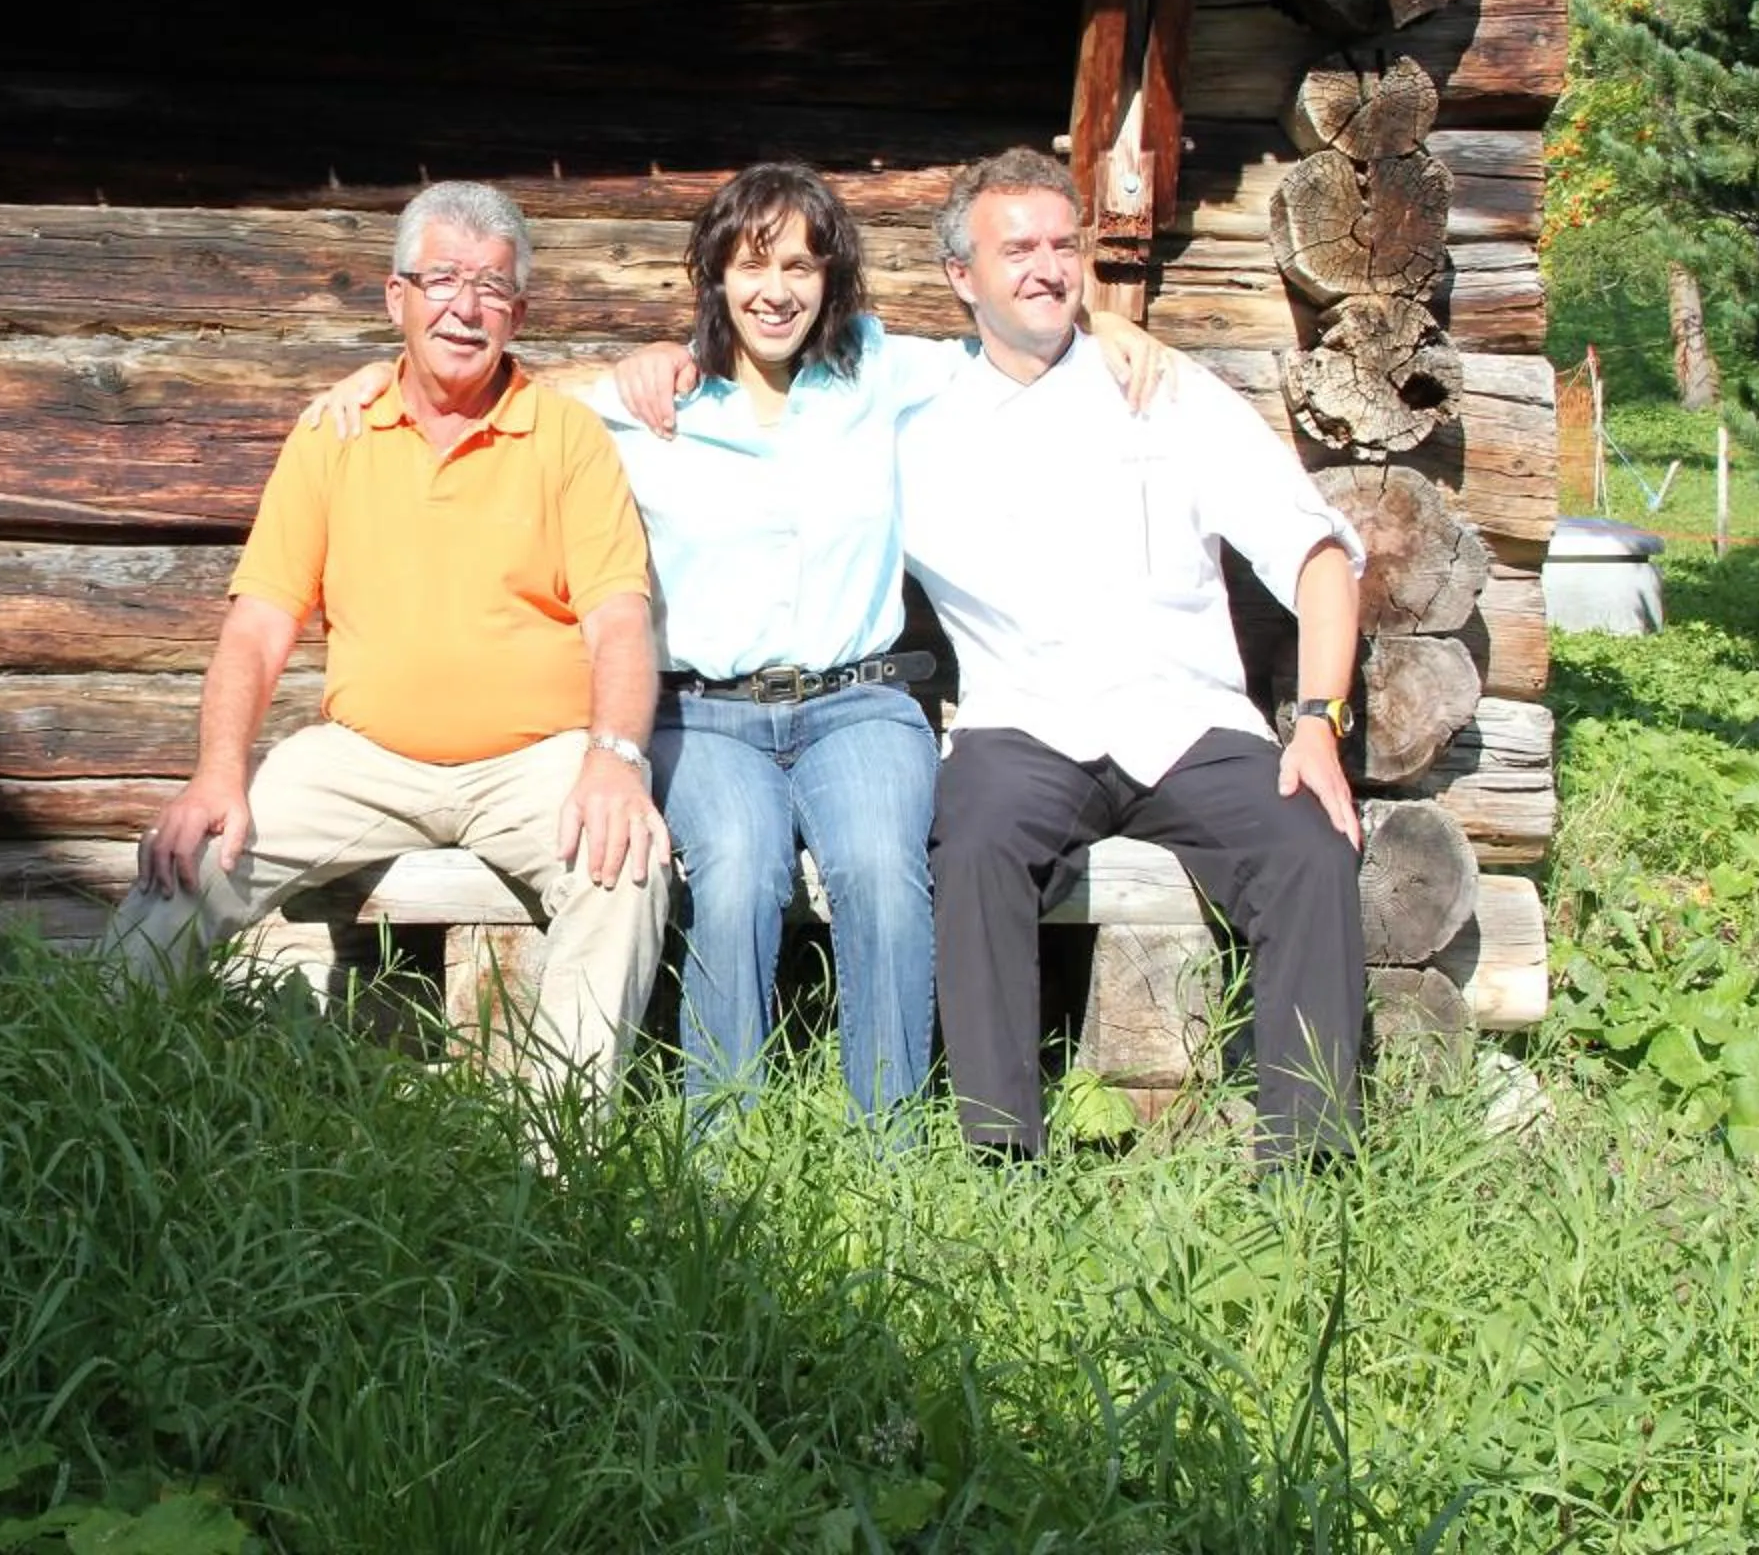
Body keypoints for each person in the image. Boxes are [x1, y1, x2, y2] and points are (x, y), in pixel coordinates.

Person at [311, 164, 1170, 1129]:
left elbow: (1017, 340)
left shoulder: (881, 370)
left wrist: (1109, 324)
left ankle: (887, 1144)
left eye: (802, 266)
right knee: (740, 874)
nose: (777, 289)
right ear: (715, 274)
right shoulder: (654, 401)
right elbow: (493, 383)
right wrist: (380, 373)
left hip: (860, 704)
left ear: (831, 279)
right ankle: (722, 1155)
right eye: (752, 263)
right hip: (705, 714)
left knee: (886, 871)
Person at [111, 181, 668, 1110]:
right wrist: (217, 774)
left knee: (628, 862)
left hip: (535, 764)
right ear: (395, 297)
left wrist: (614, 761)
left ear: (518, 312)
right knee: (198, 855)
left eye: (491, 287)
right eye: (442, 278)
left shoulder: (567, 437)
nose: (465, 306)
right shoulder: (333, 433)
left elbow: (619, 619)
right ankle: (88, 1080)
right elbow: (258, 625)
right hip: (361, 760)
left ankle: (559, 1160)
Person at [901, 146, 1366, 1165]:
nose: (1046, 267)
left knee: (1310, 847)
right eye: (1014, 247)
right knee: (973, 842)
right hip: (1023, 721)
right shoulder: (913, 416)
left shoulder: (1172, 394)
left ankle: (1314, 1165)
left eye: (1063, 244)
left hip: (1186, 721)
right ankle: (1000, 1159)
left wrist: (1320, 724)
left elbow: (1319, 553)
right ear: (960, 277)